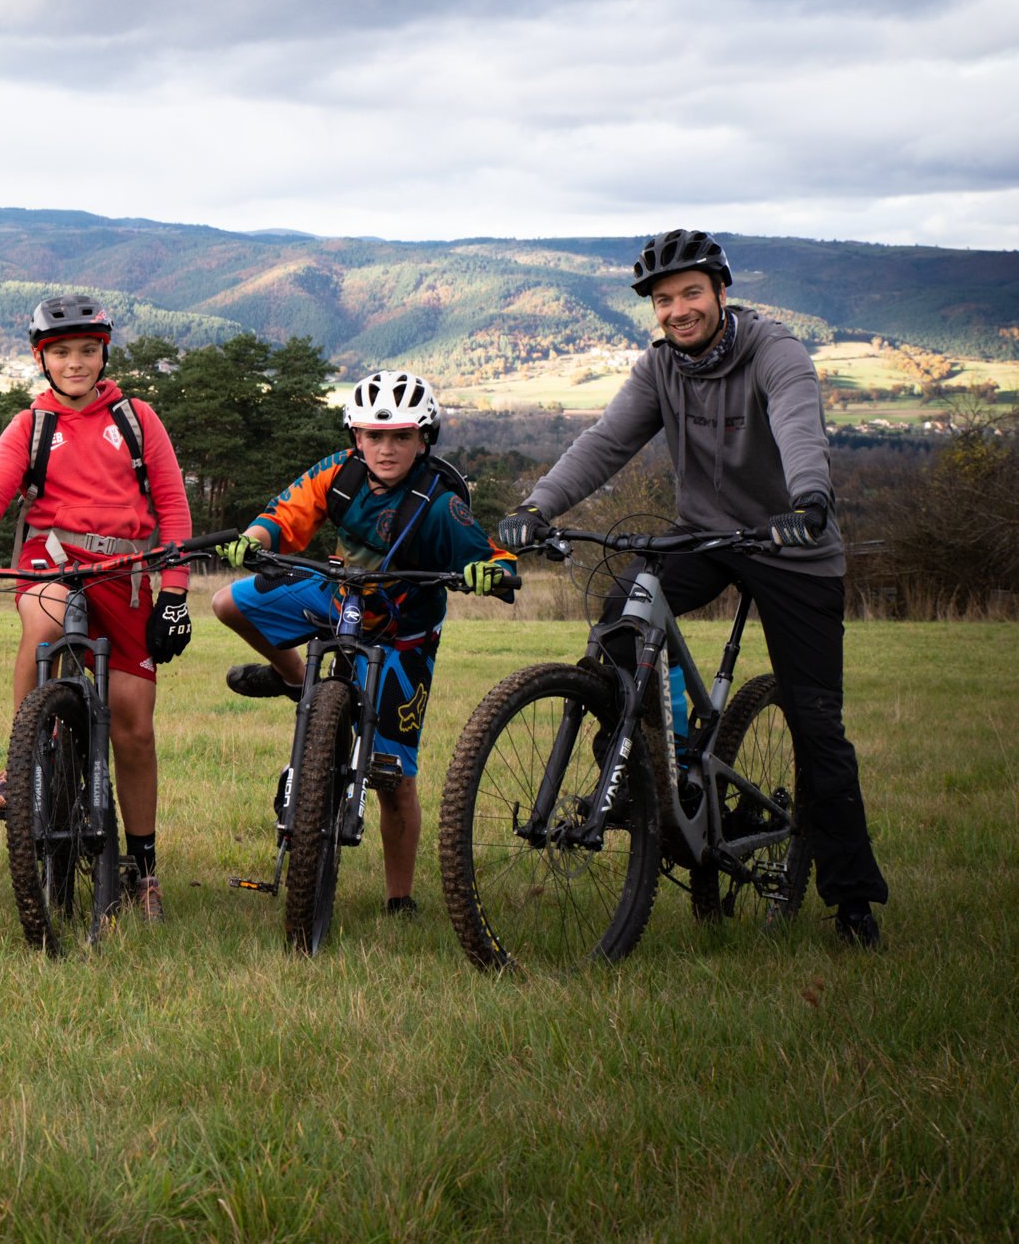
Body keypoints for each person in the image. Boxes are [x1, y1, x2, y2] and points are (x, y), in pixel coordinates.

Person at [496, 229, 888, 947]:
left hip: (790, 545)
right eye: (664, 300)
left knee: (816, 725)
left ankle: (853, 901)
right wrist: (538, 506)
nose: (677, 310)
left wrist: (809, 502)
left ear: (720, 292)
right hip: (705, 535)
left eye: (690, 294)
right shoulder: (660, 369)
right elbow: (605, 443)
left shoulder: (776, 352)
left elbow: (801, 427)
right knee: (625, 609)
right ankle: (660, 762)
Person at [0, 295, 197, 919]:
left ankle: (143, 869)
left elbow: (174, 510)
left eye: (87, 351)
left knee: (134, 726)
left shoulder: (138, 418)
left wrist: (174, 595)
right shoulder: (31, 426)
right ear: (43, 358)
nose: (76, 363)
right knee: (42, 618)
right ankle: (24, 766)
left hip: (127, 576)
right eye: (62, 353)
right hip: (54, 560)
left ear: (104, 354)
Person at [209, 370, 515, 916]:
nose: (386, 448)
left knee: (391, 777)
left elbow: (486, 553)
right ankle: (296, 678)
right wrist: (252, 541)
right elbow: (284, 516)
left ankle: (400, 899)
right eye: (374, 436)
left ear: (425, 440)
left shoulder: (439, 502)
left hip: (404, 635)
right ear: (356, 437)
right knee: (228, 603)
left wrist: (491, 573)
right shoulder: (339, 474)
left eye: (401, 436)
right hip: (338, 595)